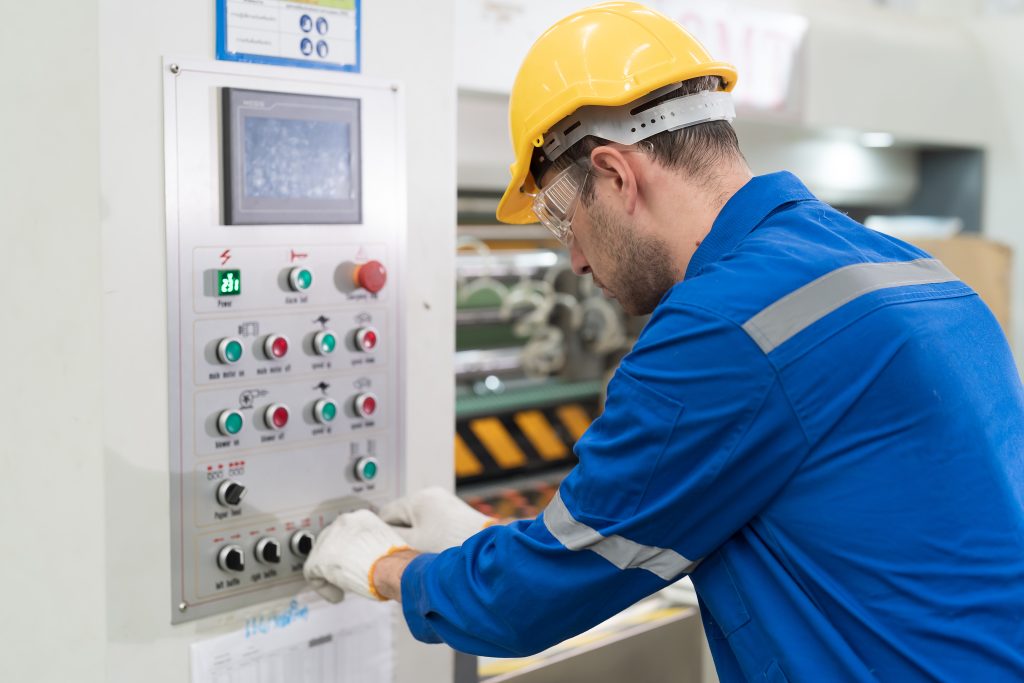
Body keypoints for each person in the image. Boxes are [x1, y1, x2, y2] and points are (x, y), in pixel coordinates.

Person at [304, 3, 1024, 680]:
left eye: (561, 215)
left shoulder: (725, 325)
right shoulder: (908, 268)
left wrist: (388, 565)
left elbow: (526, 603)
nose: (576, 259)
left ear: (616, 174)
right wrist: (483, 539)